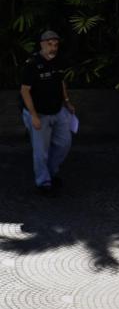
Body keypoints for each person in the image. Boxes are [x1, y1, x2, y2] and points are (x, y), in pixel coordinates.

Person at [19, 30, 76, 196]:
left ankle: (50, 172)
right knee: (41, 151)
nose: (53, 48)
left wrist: (67, 102)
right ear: (42, 44)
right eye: (50, 44)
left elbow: (61, 82)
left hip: (58, 111)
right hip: (39, 114)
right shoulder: (32, 64)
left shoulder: (58, 61)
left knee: (64, 143)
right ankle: (43, 182)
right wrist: (34, 116)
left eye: (56, 45)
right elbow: (24, 91)